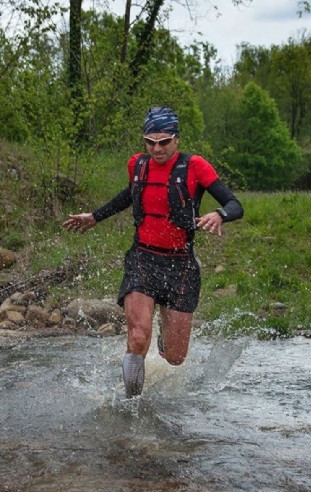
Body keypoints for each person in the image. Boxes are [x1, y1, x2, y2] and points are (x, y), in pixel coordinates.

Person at [63, 106, 243, 398]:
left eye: (164, 142)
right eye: (150, 142)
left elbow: (236, 204)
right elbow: (130, 195)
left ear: (177, 139)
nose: (157, 149)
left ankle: (162, 336)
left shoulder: (196, 166)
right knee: (137, 337)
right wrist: (95, 216)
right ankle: (131, 405)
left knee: (175, 358)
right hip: (143, 259)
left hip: (181, 265)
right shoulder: (138, 165)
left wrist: (220, 215)